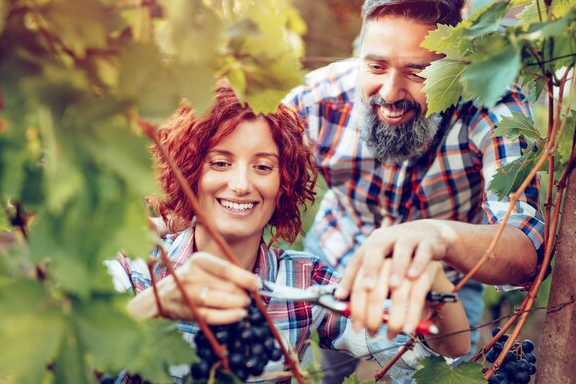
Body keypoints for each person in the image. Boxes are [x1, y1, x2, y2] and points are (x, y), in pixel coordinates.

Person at [105, 83, 470, 383]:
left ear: (284, 183)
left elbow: (438, 352)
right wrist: (149, 308)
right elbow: (62, 366)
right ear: (188, 172)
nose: (242, 184)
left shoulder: (303, 281)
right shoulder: (138, 270)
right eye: (220, 162)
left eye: (263, 167)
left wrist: (434, 279)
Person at [281, 0, 545, 383]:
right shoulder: (316, 100)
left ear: (458, 68)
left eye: (417, 72)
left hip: (444, 286)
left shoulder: (494, 108)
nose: (389, 92)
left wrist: (439, 237)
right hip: (336, 258)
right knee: (327, 372)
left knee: (443, 373)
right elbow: (248, 173)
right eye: (376, 66)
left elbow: (527, 247)